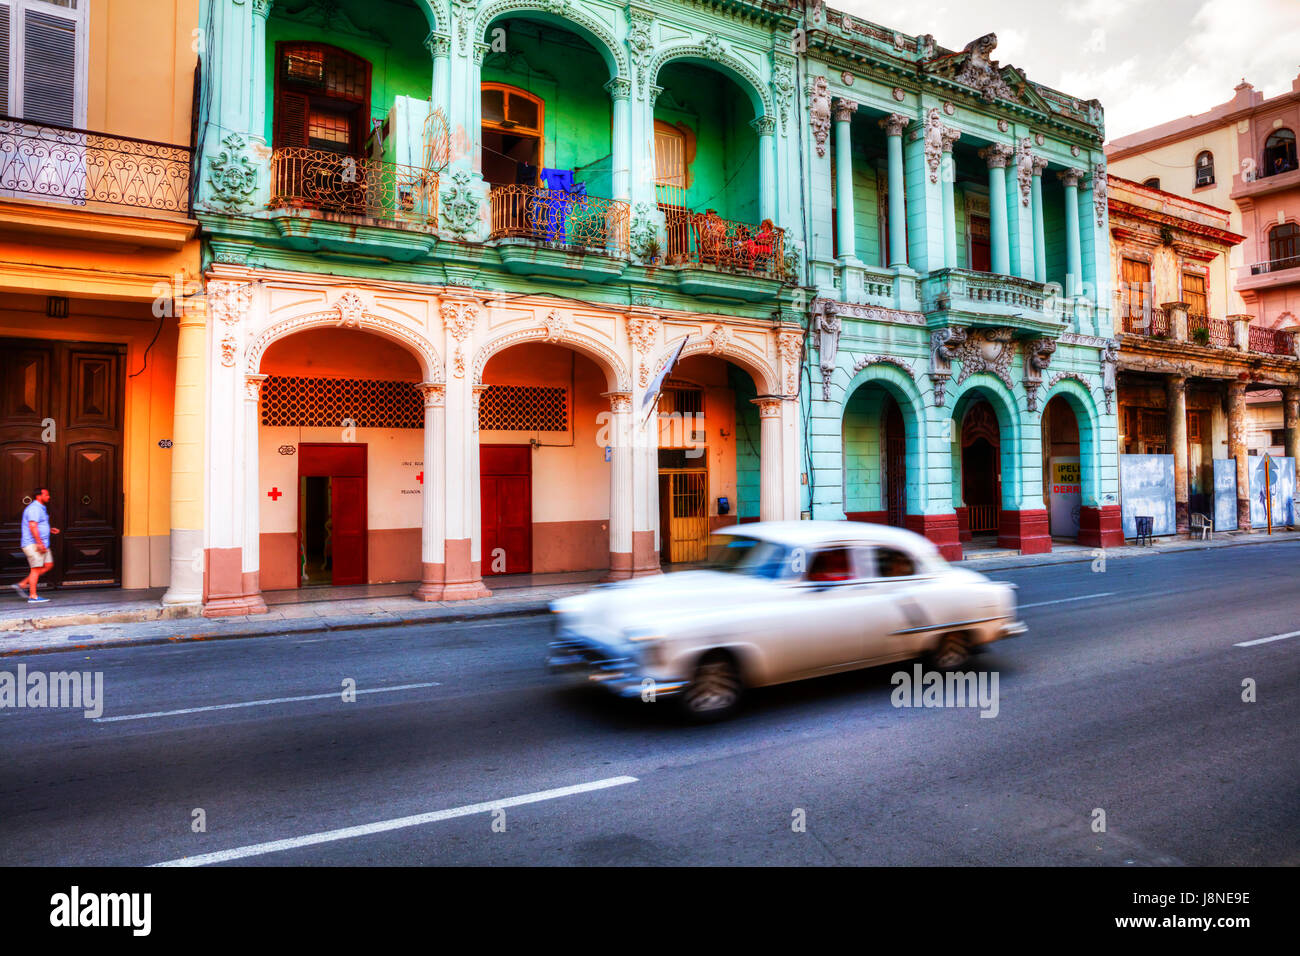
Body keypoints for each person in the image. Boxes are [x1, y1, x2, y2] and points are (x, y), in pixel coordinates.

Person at [14, 487, 59, 603]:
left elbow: (38, 525)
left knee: (48, 565)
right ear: (39, 496)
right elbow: (32, 526)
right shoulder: (34, 508)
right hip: (34, 544)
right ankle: (33, 596)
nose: (49, 497)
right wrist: (39, 543)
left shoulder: (41, 508)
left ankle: (23, 584)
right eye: (46, 495)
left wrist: (49, 529)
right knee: (36, 569)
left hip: (42, 543)